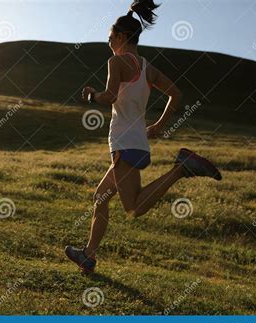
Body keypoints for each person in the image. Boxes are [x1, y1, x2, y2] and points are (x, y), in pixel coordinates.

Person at [65, 0, 222, 273]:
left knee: (133, 208)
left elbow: (110, 95)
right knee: (100, 196)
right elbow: (176, 93)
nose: (109, 41)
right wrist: (160, 124)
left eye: (111, 36)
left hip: (125, 145)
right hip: (135, 142)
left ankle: (181, 169)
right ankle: (88, 256)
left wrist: (92, 95)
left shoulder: (116, 61)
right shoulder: (148, 68)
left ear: (123, 37)